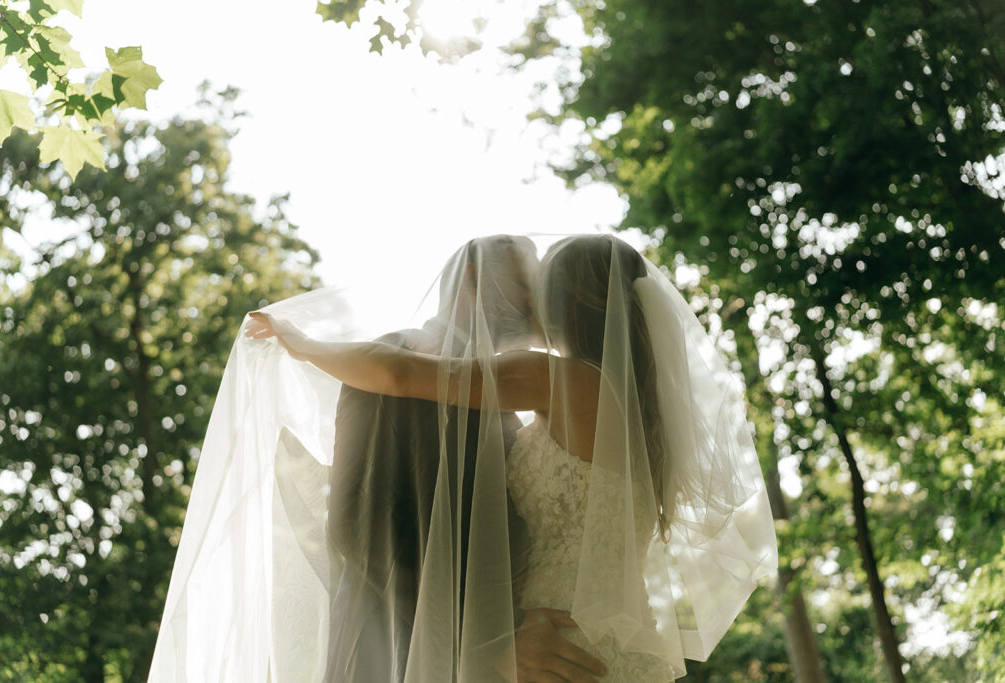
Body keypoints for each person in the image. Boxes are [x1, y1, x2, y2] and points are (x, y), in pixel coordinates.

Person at [244, 234, 778, 681]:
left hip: (560, 643)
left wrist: (301, 341)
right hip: (600, 639)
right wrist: (485, 643)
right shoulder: (637, 410)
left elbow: (401, 374)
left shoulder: (557, 382)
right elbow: (367, 526)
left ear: (565, 303)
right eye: (527, 283)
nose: (530, 302)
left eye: (541, 286)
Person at [322, 235, 606, 682]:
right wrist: (486, 644)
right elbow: (358, 521)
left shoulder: (507, 398)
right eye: (527, 281)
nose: (542, 299)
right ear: (473, 274)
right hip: (393, 654)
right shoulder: (394, 355)